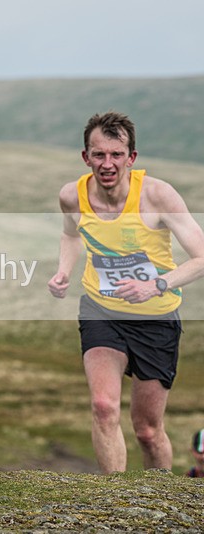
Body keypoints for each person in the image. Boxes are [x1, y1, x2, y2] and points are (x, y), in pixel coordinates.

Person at [48, 111, 204, 474]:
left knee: (147, 431)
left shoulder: (157, 195)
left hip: (156, 318)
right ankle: (115, 501)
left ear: (131, 158)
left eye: (116, 154)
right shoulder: (72, 196)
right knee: (103, 407)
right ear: (86, 157)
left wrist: (156, 284)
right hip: (101, 310)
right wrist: (63, 271)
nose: (107, 163)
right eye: (98, 154)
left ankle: (161, 502)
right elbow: (71, 235)